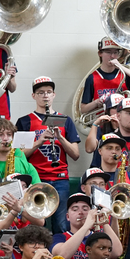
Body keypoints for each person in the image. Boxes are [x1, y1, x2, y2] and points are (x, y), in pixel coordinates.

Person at [16, 76, 81, 232]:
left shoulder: (65, 120)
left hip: (60, 179)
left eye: (48, 92)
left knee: (61, 224)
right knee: (37, 224)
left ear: (54, 94)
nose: (45, 95)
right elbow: (19, 156)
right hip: (37, 179)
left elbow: (76, 154)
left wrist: (60, 138)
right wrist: (39, 141)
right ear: (34, 96)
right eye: (40, 92)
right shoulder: (24, 121)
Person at [78, 36, 130, 120]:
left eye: (115, 52)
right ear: (100, 53)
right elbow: (83, 109)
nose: (112, 56)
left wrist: (122, 67)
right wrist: (96, 102)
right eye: (108, 52)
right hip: (103, 121)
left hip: (123, 122)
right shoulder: (92, 78)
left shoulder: (124, 74)